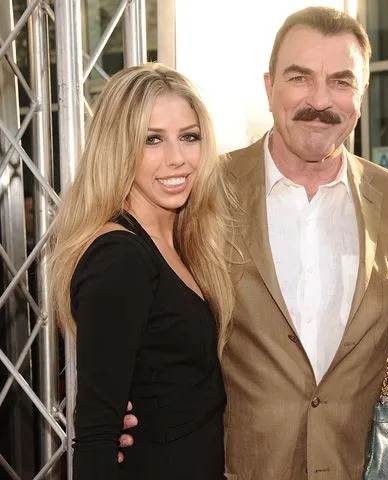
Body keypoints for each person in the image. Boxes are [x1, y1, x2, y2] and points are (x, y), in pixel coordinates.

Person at [120, 7, 388, 479]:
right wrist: (121, 402)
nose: (320, 100)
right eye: (300, 77)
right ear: (269, 86)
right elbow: (140, 295)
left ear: (362, 94)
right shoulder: (205, 190)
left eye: (341, 81)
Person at [48, 64, 234, 479]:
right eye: (152, 140)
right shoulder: (120, 257)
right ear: (118, 147)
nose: (177, 158)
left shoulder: (181, 243)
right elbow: (96, 431)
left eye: (189, 137)